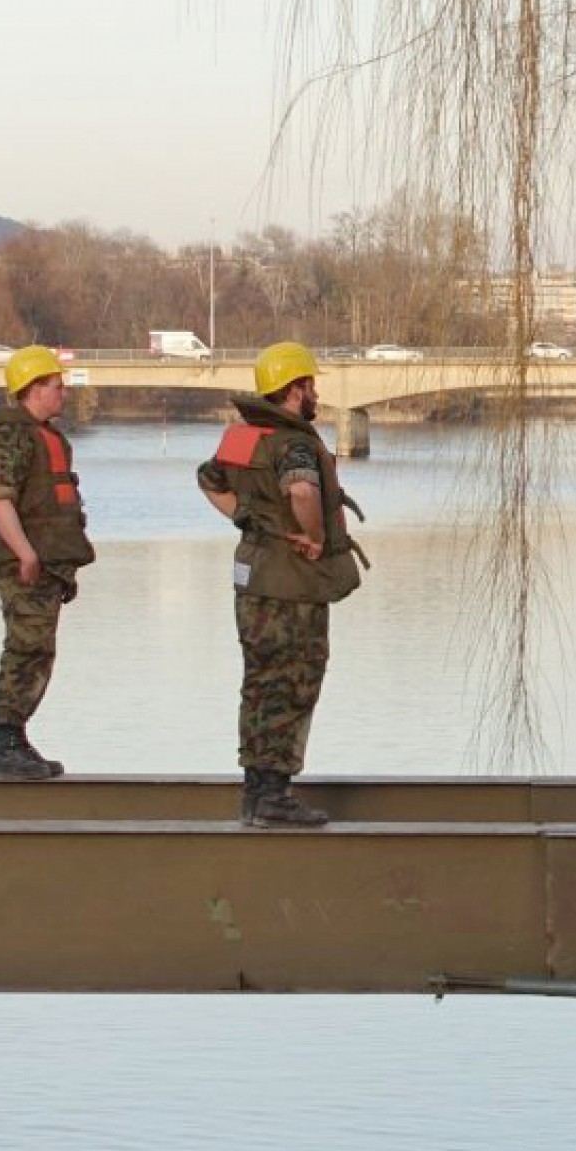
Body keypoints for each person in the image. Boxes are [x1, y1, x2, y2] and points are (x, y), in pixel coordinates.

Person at [198, 340, 367, 828]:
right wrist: (313, 538)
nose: (315, 393)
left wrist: (246, 516)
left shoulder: (242, 439)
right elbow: (302, 490)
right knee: (294, 681)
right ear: (294, 390)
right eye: (310, 385)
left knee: (259, 681)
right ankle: (275, 795)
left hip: (251, 583)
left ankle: (255, 790)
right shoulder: (293, 442)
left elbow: (209, 481)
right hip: (291, 585)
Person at [0, 344, 93, 778]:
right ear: (32, 389)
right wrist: (25, 554)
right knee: (25, 649)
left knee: (38, 651)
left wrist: (61, 568)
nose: (63, 393)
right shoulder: (13, 435)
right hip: (24, 563)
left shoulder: (43, 435)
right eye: (55, 386)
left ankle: (16, 741)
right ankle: (8, 744)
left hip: (47, 564)